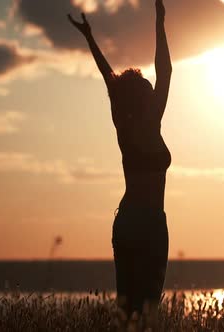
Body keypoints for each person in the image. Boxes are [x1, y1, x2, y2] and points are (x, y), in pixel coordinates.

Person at [68, 0, 172, 320]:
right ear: (141, 95)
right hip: (147, 224)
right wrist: (158, 21)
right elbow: (163, 69)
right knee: (143, 310)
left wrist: (89, 38)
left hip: (135, 222)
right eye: (146, 86)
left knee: (130, 310)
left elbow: (109, 77)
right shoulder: (147, 119)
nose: (150, 86)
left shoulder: (127, 125)